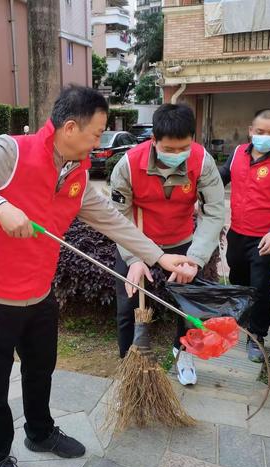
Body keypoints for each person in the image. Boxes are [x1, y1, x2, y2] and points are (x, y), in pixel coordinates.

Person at [0, 86, 195, 467]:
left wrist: (159, 255)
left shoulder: (77, 171)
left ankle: (39, 433)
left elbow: (110, 218)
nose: (98, 141)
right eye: (95, 133)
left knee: (40, 370)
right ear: (70, 127)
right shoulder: (11, 152)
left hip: (39, 292)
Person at [110, 103, 225, 386]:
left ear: (192, 141)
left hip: (183, 243)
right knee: (127, 306)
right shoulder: (127, 165)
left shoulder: (202, 161)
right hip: (138, 243)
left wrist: (195, 258)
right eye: (169, 150)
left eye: (183, 148)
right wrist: (134, 258)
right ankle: (128, 361)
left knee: (187, 307)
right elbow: (117, 216)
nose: (177, 155)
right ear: (153, 141)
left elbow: (214, 211)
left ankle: (183, 353)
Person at [219, 109, 270, 363]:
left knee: (261, 287)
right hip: (237, 233)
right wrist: (200, 195)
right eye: (261, 132)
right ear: (251, 131)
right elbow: (219, 178)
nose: (266, 137)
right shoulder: (237, 154)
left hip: (264, 239)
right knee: (237, 280)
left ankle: (257, 335)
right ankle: (240, 320)